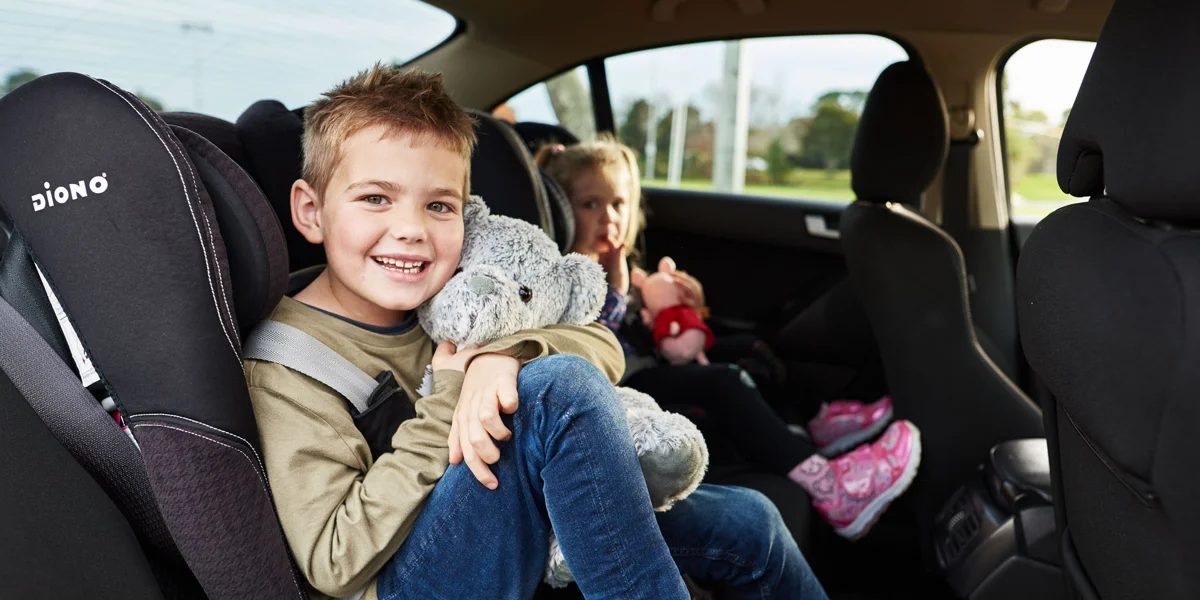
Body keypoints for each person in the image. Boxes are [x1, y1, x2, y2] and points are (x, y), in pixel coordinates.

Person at [244, 64, 829, 600]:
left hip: (501, 520)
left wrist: (505, 356)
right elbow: (333, 560)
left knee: (752, 520)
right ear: (311, 211)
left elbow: (599, 341)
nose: (411, 230)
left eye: (439, 206)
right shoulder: (291, 364)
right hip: (404, 582)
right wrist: (449, 401)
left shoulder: (458, 291)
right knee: (557, 387)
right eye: (376, 199)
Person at [536, 138, 922, 540]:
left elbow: (658, 327)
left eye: (617, 204)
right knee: (724, 381)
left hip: (651, 365)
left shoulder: (623, 266)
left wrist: (692, 310)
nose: (609, 218)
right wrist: (616, 290)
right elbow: (592, 347)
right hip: (619, 390)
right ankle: (833, 489)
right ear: (561, 209)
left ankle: (809, 432)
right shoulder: (567, 274)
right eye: (590, 205)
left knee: (750, 353)